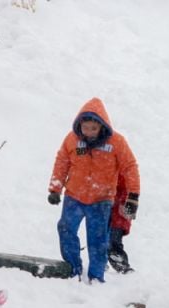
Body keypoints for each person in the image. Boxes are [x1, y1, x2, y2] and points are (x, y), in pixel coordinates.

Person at [48, 97, 140, 283]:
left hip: (101, 200)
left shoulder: (116, 143)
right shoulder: (72, 140)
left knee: (98, 240)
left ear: (102, 126)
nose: (89, 132)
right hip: (74, 196)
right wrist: (55, 188)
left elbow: (130, 167)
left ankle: (96, 276)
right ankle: (73, 268)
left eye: (93, 128)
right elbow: (62, 162)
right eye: (85, 127)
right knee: (65, 229)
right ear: (79, 124)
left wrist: (132, 197)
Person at [107, 174, 134, 274]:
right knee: (106, 242)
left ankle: (123, 267)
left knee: (113, 243)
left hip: (118, 215)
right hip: (114, 214)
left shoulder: (124, 172)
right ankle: (104, 263)